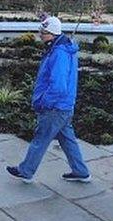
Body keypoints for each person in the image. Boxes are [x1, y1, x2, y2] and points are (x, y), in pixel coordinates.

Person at [7, 16, 91, 183]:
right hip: (64, 106)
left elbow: (58, 86)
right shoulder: (60, 48)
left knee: (40, 138)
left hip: (55, 107)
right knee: (67, 140)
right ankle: (81, 172)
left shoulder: (59, 53)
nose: (40, 35)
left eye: (43, 32)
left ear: (51, 34)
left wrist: (43, 102)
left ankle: (26, 171)